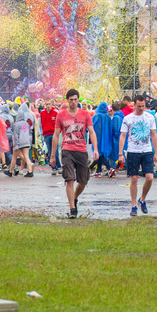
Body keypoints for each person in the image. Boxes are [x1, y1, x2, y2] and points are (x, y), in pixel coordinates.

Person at [50, 89, 98, 219]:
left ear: (78, 100)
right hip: (67, 150)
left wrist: (95, 149)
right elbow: (56, 135)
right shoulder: (61, 115)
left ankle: (75, 198)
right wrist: (52, 155)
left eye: (75, 99)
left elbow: (92, 132)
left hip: (81, 150)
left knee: (83, 181)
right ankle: (72, 209)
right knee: (69, 179)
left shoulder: (85, 114)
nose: (73, 102)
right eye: (71, 100)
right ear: (67, 100)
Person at [121, 94, 157, 216]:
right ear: (134, 105)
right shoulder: (128, 119)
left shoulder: (150, 117)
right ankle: (133, 206)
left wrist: (156, 152)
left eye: (143, 106)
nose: (141, 108)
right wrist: (120, 153)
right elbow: (122, 136)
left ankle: (142, 199)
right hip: (133, 151)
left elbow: (154, 134)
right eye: (139, 106)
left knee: (150, 177)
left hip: (147, 150)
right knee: (134, 178)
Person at [9, 100, 36, 177]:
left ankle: (10, 171)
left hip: (19, 143)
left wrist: (16, 145)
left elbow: (16, 135)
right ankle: (30, 170)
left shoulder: (17, 124)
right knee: (26, 156)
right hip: (27, 141)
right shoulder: (26, 124)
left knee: (14, 157)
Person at [39, 100, 59, 174]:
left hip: (54, 133)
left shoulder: (56, 112)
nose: (48, 106)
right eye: (46, 104)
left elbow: (59, 123)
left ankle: (58, 165)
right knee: (50, 151)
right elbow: (41, 124)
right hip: (46, 134)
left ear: (51, 104)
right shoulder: (42, 113)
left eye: (49, 104)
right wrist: (42, 134)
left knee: (55, 150)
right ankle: (54, 167)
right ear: (45, 105)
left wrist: (58, 133)